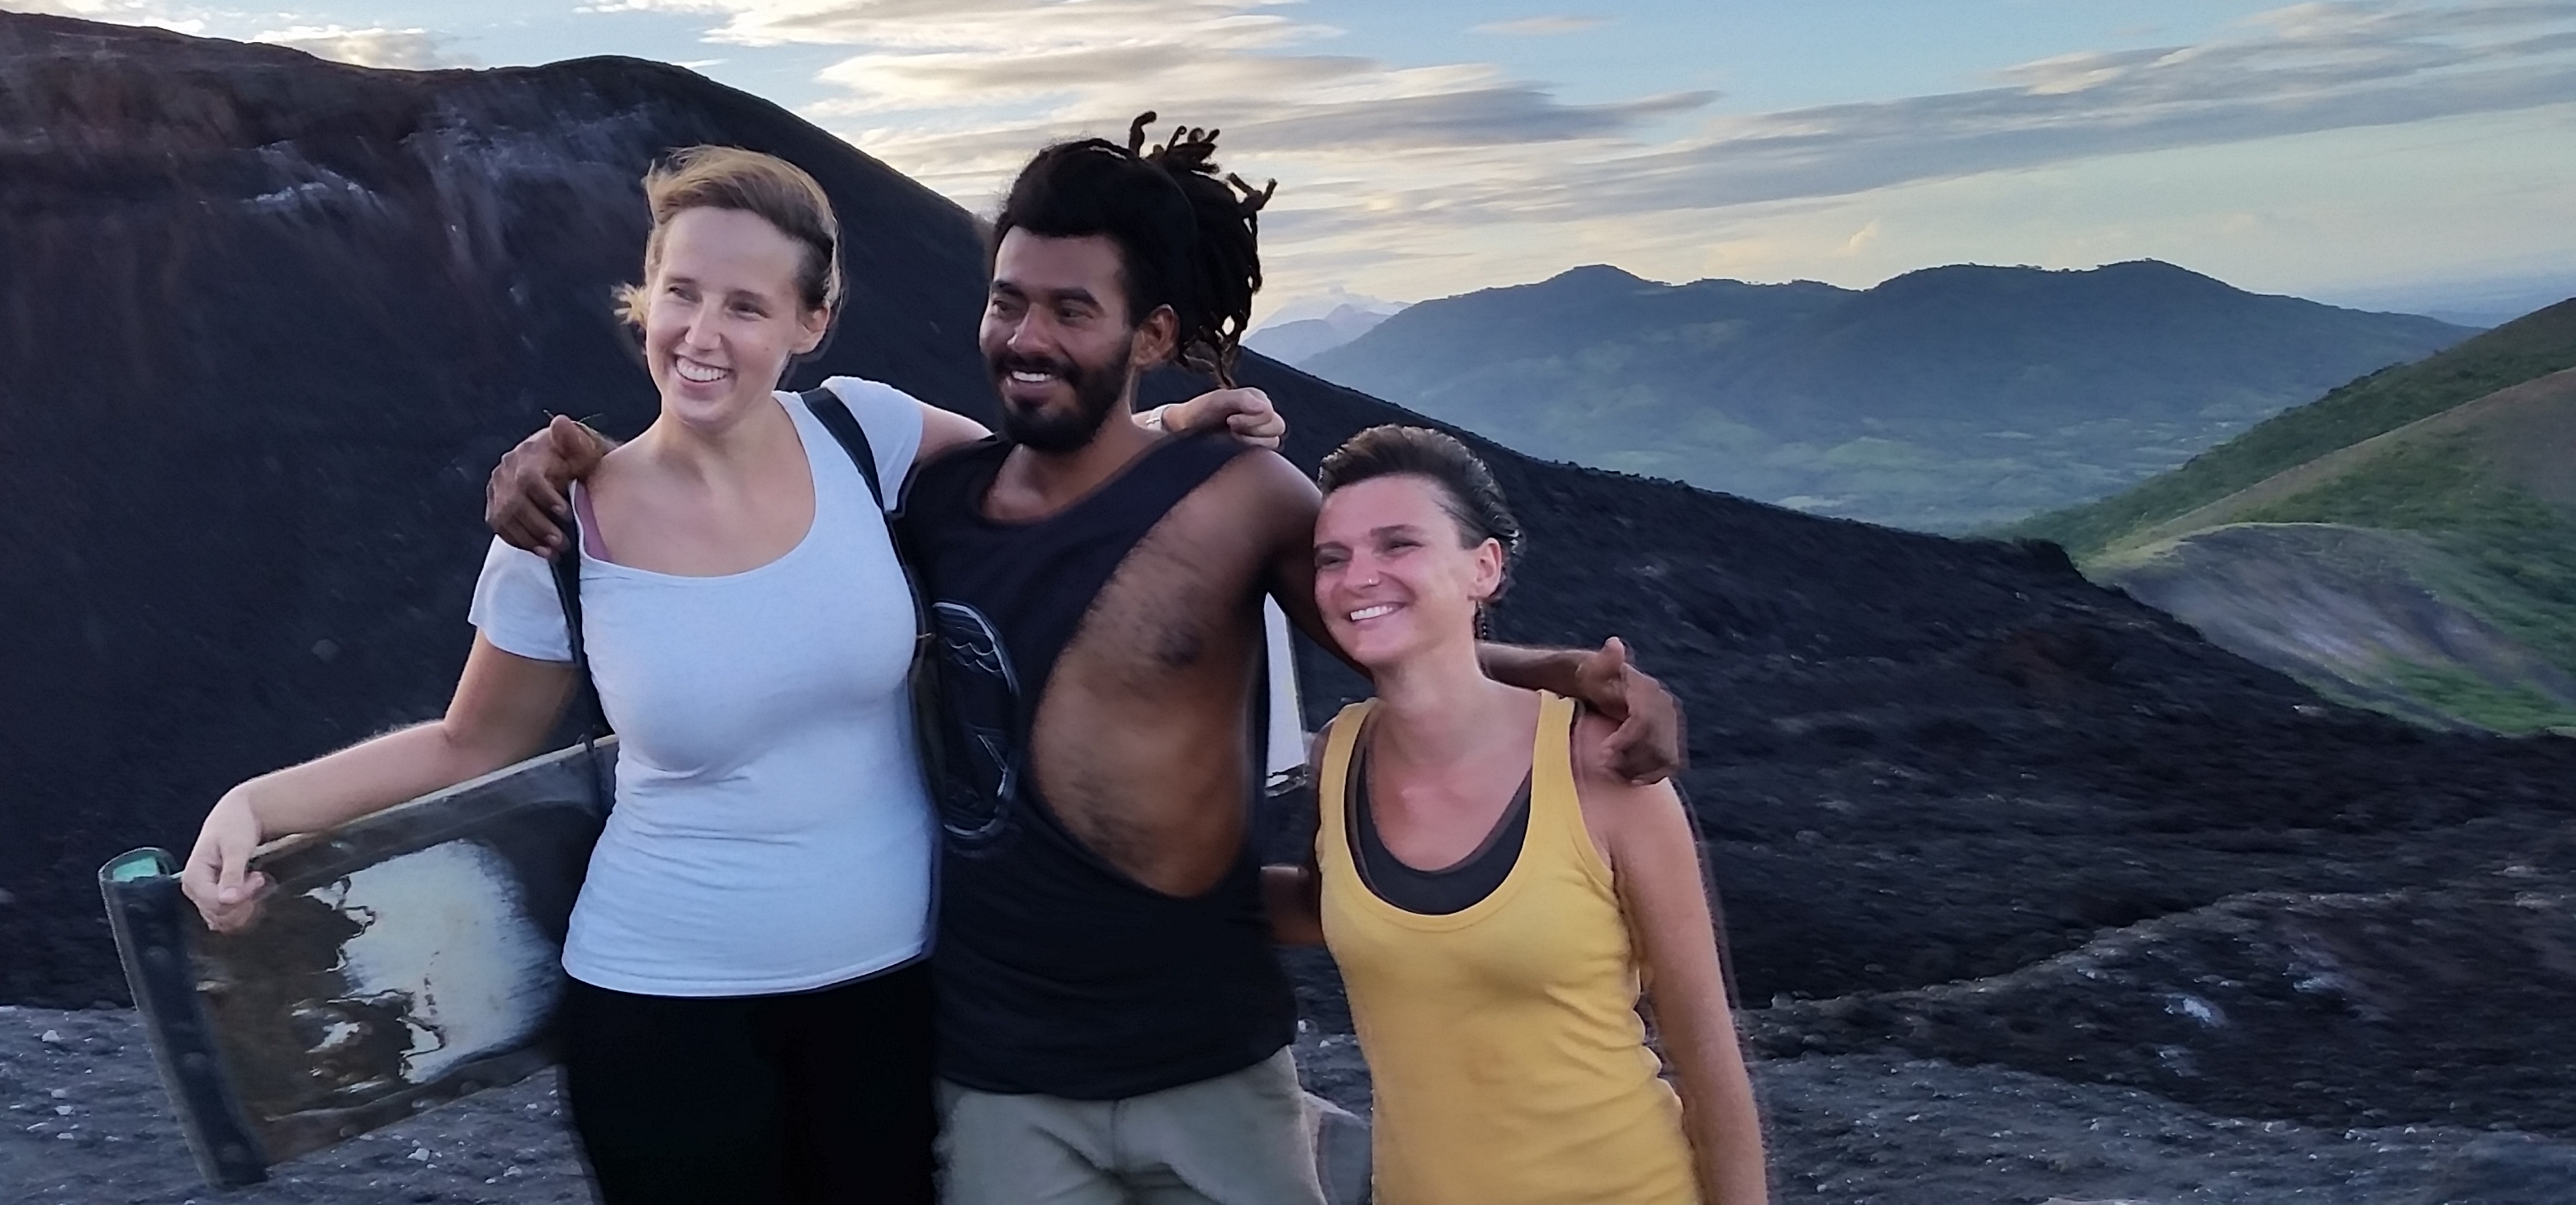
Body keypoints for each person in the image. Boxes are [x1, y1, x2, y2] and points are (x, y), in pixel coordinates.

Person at [490, 116, 1686, 1205]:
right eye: (1008, 303)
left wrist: (1569, 678)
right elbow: (756, 502)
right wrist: (565, 459)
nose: (1026, 337)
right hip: (995, 1078)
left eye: (1072, 310)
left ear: (1151, 333)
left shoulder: (1240, 497)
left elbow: (1397, 647)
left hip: (1209, 1064)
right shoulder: (934, 497)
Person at [178, 146, 1279, 1205]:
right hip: (665, 1012)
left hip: (891, 1001)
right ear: (644, 299)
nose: (703, 335)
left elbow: (1036, 480)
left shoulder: (865, 435)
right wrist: (256, 804)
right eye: (682, 294)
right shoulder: (563, 526)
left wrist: (1168, 424)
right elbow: (473, 741)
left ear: (810, 322)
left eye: (747, 306)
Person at [1265, 425, 1766, 1205]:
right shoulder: (1341, 756)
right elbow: (1322, 906)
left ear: (1484, 567)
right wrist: (1110, 883)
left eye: (1398, 544)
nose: (1359, 577)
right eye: (1333, 558)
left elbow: (1708, 1057)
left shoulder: (1600, 768)